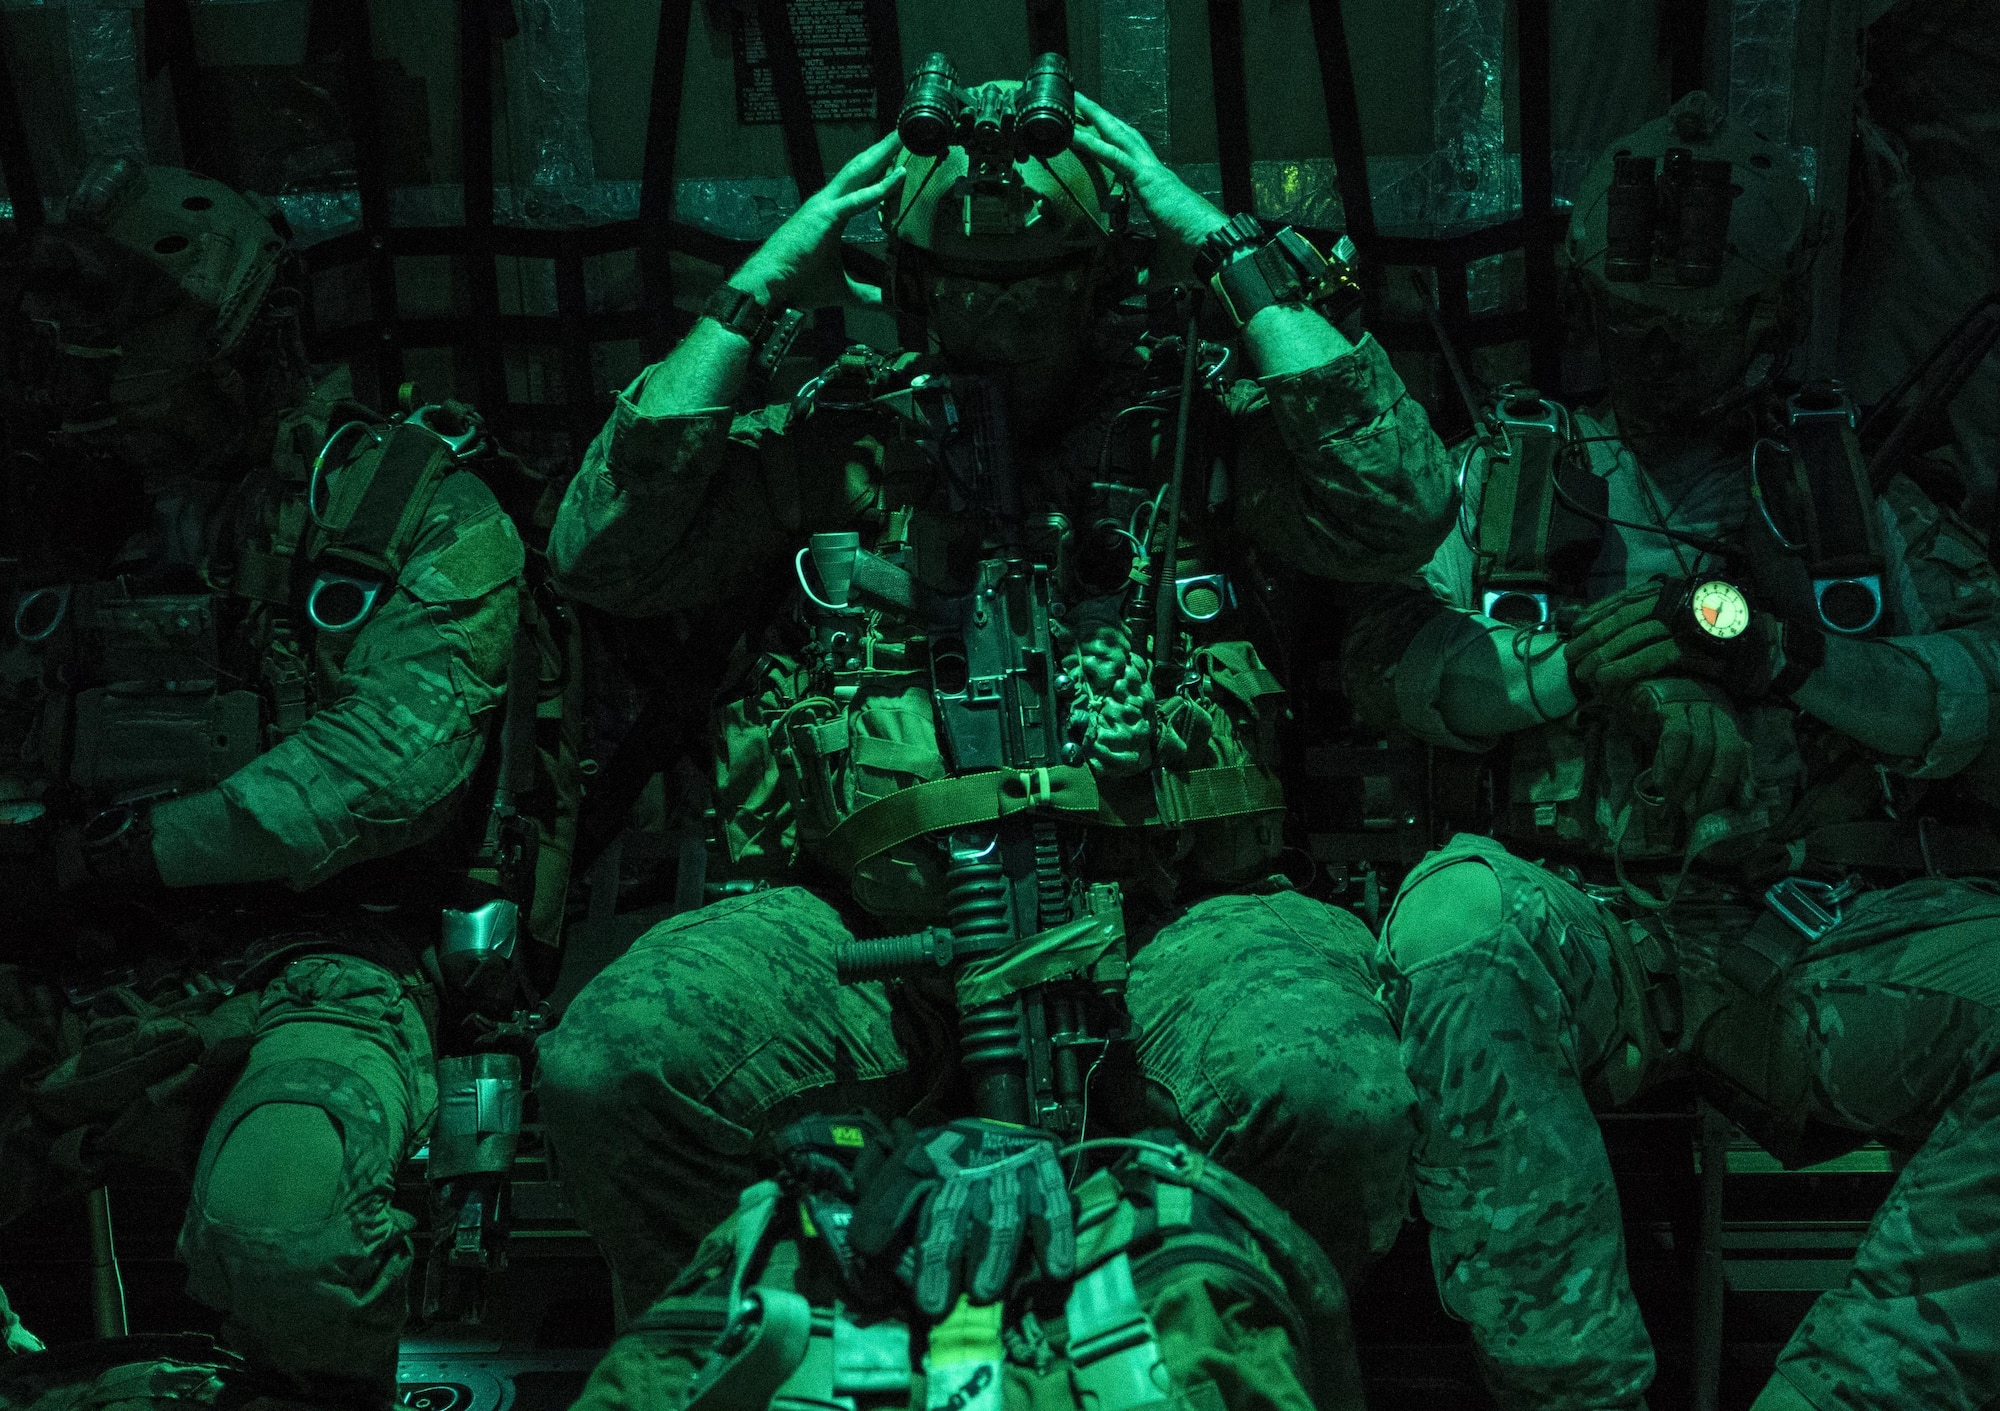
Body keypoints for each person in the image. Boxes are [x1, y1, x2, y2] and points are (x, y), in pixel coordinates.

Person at [535, 75, 1454, 1330]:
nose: (1000, 317)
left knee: (1329, 1091)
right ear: (910, 285)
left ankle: (1224, 1353)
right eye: (966, 285)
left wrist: (1217, 245)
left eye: (1036, 284)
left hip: (1179, 924)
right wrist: (760, 284)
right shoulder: (840, 447)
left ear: (1097, 279)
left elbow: (1397, 504)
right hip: (866, 937)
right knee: (615, 1065)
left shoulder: (1197, 433)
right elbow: (599, 554)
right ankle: (769, 1347)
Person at [1344, 91, 2000, 1411]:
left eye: (1695, 328)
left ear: (1768, 314)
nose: (1659, 356)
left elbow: (1969, 693)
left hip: (1810, 928)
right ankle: (1574, 1392)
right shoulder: (1508, 474)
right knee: (1452, 922)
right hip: (1583, 922)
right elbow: (1390, 663)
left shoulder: (1847, 498)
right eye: (1631, 322)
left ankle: (1853, 1392)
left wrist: (1794, 656)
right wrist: (1570, 664)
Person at [0, 160, 529, 1408]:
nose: (94, 369)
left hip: (320, 970)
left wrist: (116, 849)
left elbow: (383, 773)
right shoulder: (50, 520)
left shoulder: (408, 508)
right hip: (71, 961)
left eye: (132, 329)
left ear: (235, 333)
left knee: (286, 1236)